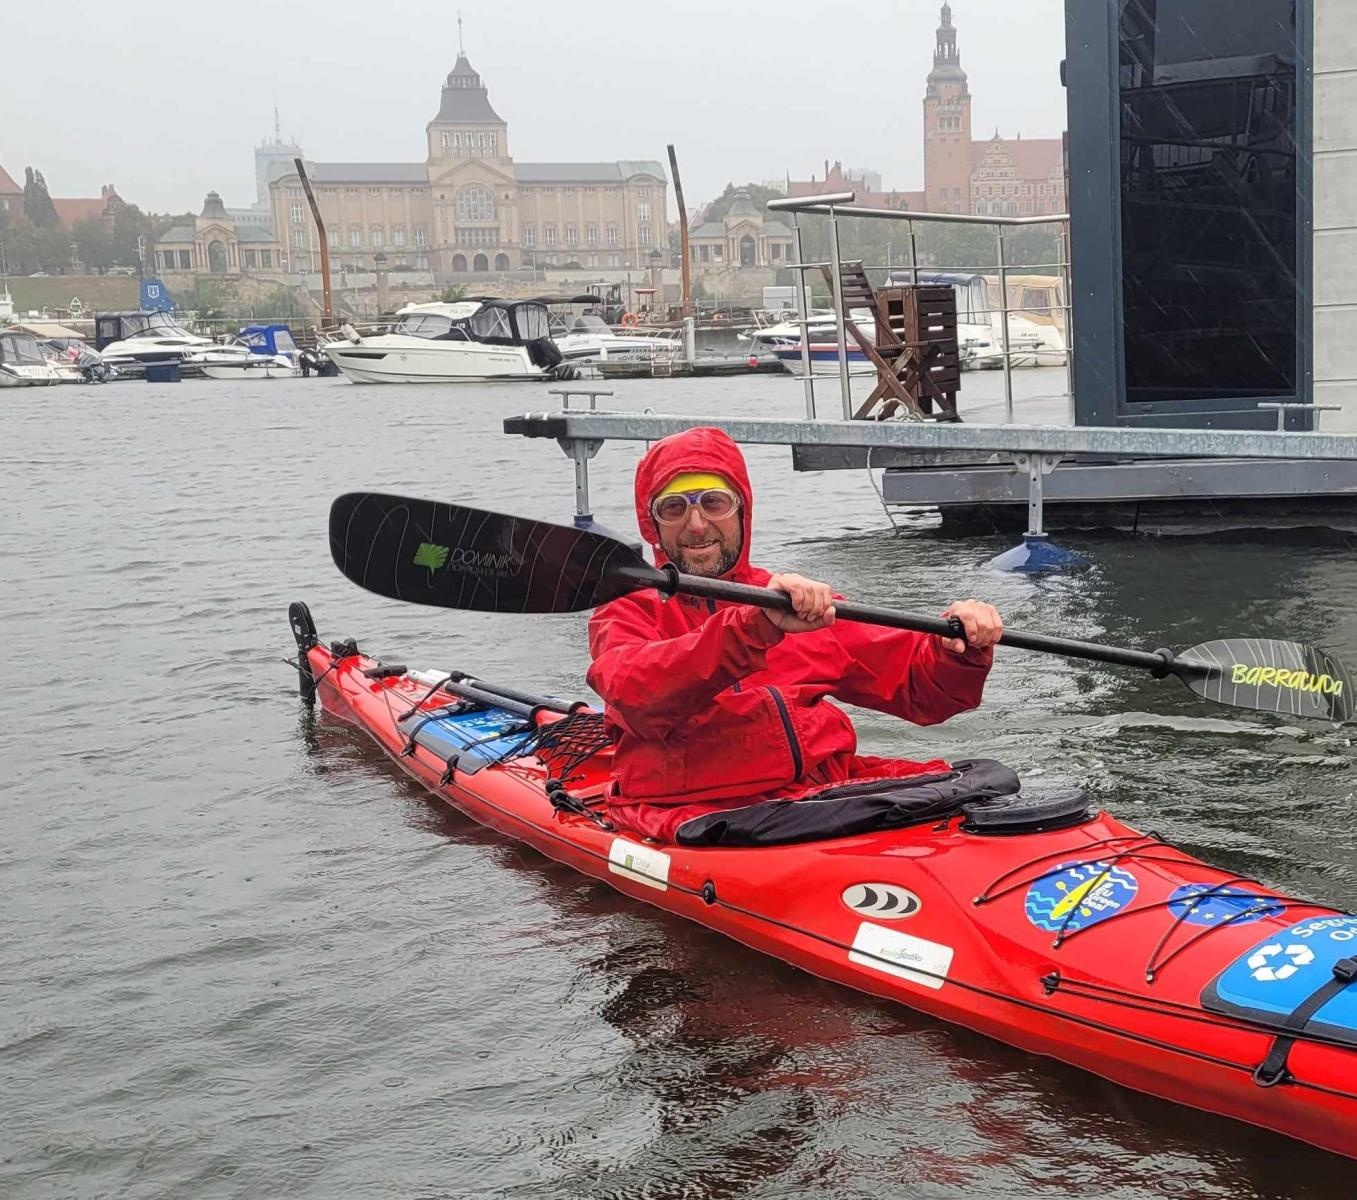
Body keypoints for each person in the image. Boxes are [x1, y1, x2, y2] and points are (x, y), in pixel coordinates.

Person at [587, 426, 1008, 846]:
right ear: (652, 523)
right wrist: (752, 628)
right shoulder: (627, 608)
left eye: (714, 503)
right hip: (695, 808)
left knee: (988, 781)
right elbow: (636, 693)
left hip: (818, 799)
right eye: (674, 508)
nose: (697, 525)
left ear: (741, 512)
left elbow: (920, 691)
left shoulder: (789, 600)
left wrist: (958, 648)